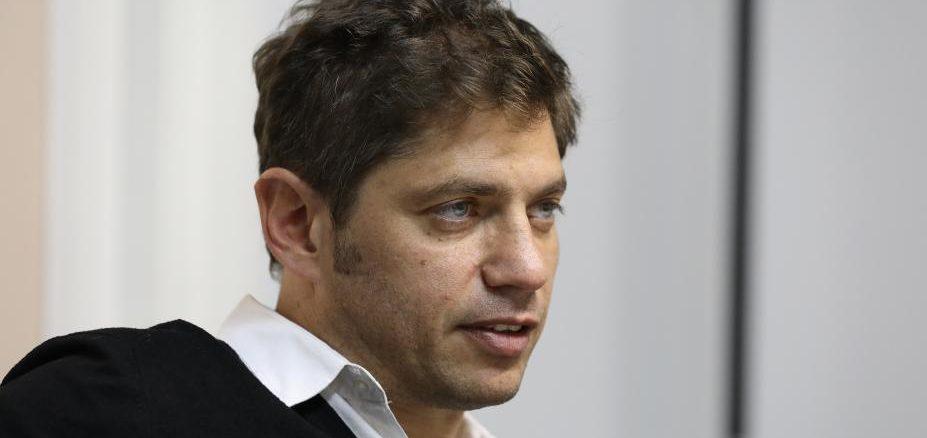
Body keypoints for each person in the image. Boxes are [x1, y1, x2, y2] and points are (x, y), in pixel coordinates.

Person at [0, 0, 580, 436]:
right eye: (458, 209)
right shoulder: (102, 412)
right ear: (297, 224)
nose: (526, 269)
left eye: (543, 209)